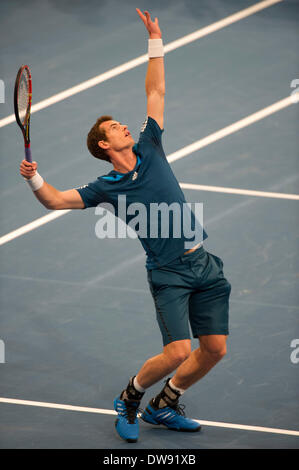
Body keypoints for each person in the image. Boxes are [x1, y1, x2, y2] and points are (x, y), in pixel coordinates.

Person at [19, 8, 231, 444]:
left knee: (214, 350)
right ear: (104, 145)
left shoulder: (151, 144)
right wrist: (34, 178)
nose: (122, 125)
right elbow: (55, 201)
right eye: (113, 126)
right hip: (169, 274)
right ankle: (130, 398)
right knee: (178, 351)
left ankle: (165, 404)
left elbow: (156, 88)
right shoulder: (105, 186)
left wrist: (155, 40)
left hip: (204, 263)